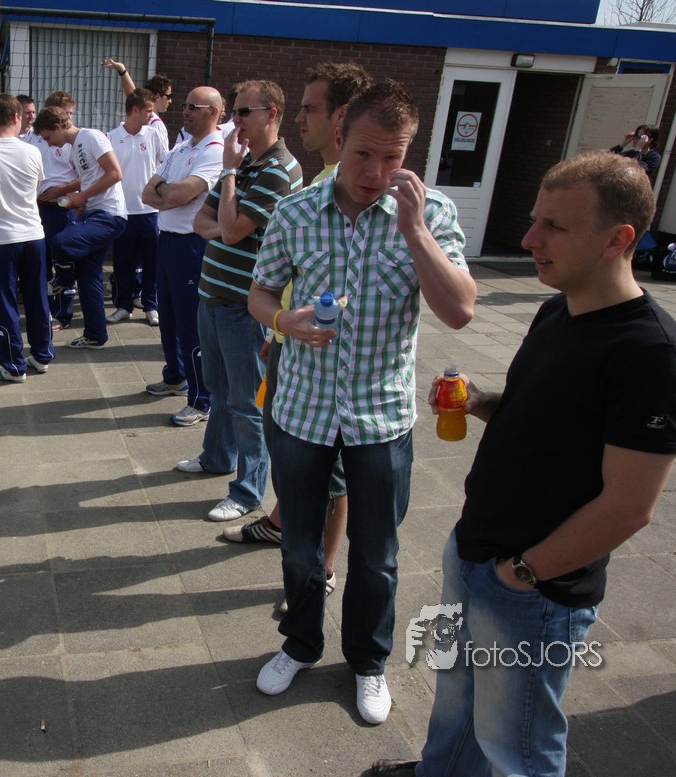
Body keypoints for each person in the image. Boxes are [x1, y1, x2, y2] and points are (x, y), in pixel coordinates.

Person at [372, 151, 676, 776]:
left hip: (535, 585)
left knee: (516, 745)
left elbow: (630, 506)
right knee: (458, 701)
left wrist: (521, 573)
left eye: (555, 226)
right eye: (533, 220)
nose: (528, 240)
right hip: (476, 549)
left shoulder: (651, 354)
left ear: (617, 240)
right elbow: (541, 415)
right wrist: (480, 401)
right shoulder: (559, 310)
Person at [248, 80, 477, 725]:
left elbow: (460, 310)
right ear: (341, 135)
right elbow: (259, 292)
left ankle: (368, 661)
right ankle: (300, 644)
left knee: (378, 554)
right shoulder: (295, 212)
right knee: (299, 546)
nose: (376, 173)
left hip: (381, 416)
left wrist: (414, 230)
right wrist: (283, 322)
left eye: (393, 157)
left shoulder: (431, 213)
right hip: (302, 411)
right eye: (364, 154)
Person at [223, 63, 373, 606]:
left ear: (341, 115)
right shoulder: (319, 181)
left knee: (329, 467)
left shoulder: (351, 188)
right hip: (290, 340)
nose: (299, 118)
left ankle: (323, 568)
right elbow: (300, 273)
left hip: (328, 357)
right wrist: (279, 327)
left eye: (310, 108)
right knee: (289, 450)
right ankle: (281, 523)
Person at [176, 80, 303, 523]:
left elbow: (229, 231)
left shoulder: (276, 170)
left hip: (243, 304)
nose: (235, 121)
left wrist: (228, 179)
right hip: (213, 296)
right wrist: (229, 223)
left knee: (247, 402)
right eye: (234, 112)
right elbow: (201, 221)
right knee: (220, 388)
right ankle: (217, 457)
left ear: (272, 114)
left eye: (244, 112)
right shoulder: (247, 163)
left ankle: (248, 491)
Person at [140, 87, 226, 426]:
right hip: (167, 240)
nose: (185, 111)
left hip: (192, 245)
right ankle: (175, 376)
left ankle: (202, 398)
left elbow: (182, 192)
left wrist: (168, 192)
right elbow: (148, 193)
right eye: (185, 105)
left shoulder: (215, 150)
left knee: (191, 323)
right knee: (169, 317)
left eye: (193, 106)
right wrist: (170, 194)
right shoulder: (180, 148)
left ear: (213, 112)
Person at [0, 93, 55, 383]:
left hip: (1, 239)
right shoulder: (33, 151)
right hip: (33, 235)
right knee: (37, 296)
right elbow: (37, 186)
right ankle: (42, 355)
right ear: (16, 117)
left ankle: (14, 365)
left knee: (6, 302)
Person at [34, 106, 127, 350]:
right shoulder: (75, 147)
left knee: (60, 242)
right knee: (88, 277)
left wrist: (82, 196)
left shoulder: (92, 136)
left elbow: (115, 173)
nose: (49, 144)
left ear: (58, 127)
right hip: (94, 212)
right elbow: (91, 178)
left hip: (110, 214)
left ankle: (62, 279)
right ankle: (95, 335)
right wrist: (82, 203)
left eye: (48, 137)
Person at [107, 88, 168, 326]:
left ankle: (151, 306)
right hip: (123, 212)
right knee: (123, 263)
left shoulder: (153, 134)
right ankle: (123, 306)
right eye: (148, 110)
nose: (152, 115)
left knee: (153, 261)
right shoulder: (112, 137)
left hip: (150, 212)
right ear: (135, 110)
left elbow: (165, 165)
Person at [32, 91, 83, 331]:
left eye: (71, 114)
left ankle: (64, 314)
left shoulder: (77, 142)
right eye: (66, 113)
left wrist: (62, 190)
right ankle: (46, 312)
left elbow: (87, 177)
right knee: (42, 263)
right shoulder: (34, 140)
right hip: (39, 210)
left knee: (65, 262)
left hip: (65, 208)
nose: (69, 119)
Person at [102, 58, 174, 149]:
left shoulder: (144, 118)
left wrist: (122, 70)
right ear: (157, 96)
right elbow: (133, 96)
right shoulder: (156, 124)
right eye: (168, 96)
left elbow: (132, 95)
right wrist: (122, 70)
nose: (170, 101)